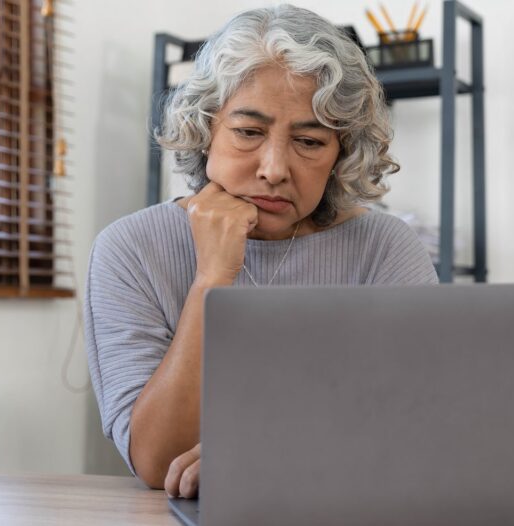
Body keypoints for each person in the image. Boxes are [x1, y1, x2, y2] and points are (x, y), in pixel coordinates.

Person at [84, 4, 438, 500]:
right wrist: (212, 277)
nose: (274, 168)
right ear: (206, 129)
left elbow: (423, 434)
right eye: (249, 132)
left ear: (341, 155)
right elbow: (157, 460)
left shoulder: (384, 249)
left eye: (310, 141)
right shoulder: (131, 249)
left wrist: (273, 456)